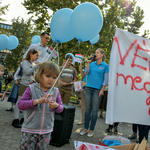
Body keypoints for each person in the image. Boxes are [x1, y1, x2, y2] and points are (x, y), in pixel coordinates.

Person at [18, 61, 63, 150]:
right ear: (40, 74)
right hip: (29, 130)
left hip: (46, 131)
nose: (51, 80)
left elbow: (61, 109)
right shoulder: (31, 88)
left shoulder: (56, 91)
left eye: (54, 77)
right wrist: (37, 101)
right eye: (48, 76)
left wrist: (56, 106)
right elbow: (20, 105)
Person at [80, 48, 109, 137]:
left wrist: (102, 89)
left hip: (97, 90)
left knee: (94, 110)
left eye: (97, 52)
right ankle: (85, 128)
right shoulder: (91, 64)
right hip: (88, 88)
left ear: (102, 55)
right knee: (88, 109)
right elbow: (87, 73)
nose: (95, 54)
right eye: (95, 52)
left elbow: (106, 79)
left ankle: (91, 129)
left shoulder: (105, 65)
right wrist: (88, 63)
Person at [12, 49, 40, 128]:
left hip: (31, 85)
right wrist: (36, 66)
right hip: (24, 84)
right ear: (31, 54)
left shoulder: (33, 63)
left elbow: (33, 75)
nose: (38, 57)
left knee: (27, 103)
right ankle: (15, 119)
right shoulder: (25, 62)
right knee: (20, 102)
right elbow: (27, 72)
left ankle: (23, 118)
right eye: (36, 55)